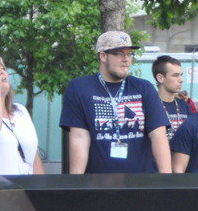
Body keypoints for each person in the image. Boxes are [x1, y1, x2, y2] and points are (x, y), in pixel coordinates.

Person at [60, 31, 171, 174]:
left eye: (129, 54)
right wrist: (76, 182)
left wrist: (166, 180)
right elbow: (79, 137)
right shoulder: (79, 88)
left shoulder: (144, 87)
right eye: (119, 54)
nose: (126, 59)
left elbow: (158, 136)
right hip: (97, 181)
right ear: (103, 56)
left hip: (141, 181)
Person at [152, 55, 196, 139]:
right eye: (175, 75)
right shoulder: (150, 106)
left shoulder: (185, 106)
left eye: (181, 75)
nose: (181, 80)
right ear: (160, 78)